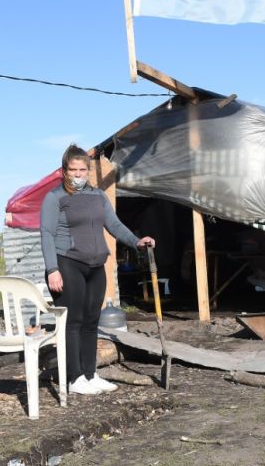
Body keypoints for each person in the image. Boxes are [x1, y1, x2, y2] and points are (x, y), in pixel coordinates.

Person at [40, 144, 155, 396]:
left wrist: (136, 241)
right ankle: (74, 377)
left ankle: (90, 374)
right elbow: (47, 234)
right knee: (74, 320)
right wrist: (52, 269)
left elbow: (114, 224)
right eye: (73, 170)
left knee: (92, 321)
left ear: (88, 171)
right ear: (64, 171)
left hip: (96, 265)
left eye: (83, 169)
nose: (78, 174)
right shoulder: (55, 197)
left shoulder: (98, 196)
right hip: (68, 263)